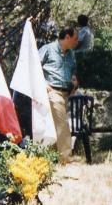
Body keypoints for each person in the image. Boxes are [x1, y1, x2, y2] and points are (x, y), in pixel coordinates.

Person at [39, 26, 79, 164]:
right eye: (75, 39)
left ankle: (50, 159)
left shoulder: (71, 54)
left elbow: (72, 70)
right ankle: (66, 159)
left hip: (66, 93)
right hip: (52, 92)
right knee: (62, 124)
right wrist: (44, 84)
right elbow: (34, 67)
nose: (77, 42)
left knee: (54, 125)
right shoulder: (48, 49)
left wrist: (74, 80)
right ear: (67, 37)